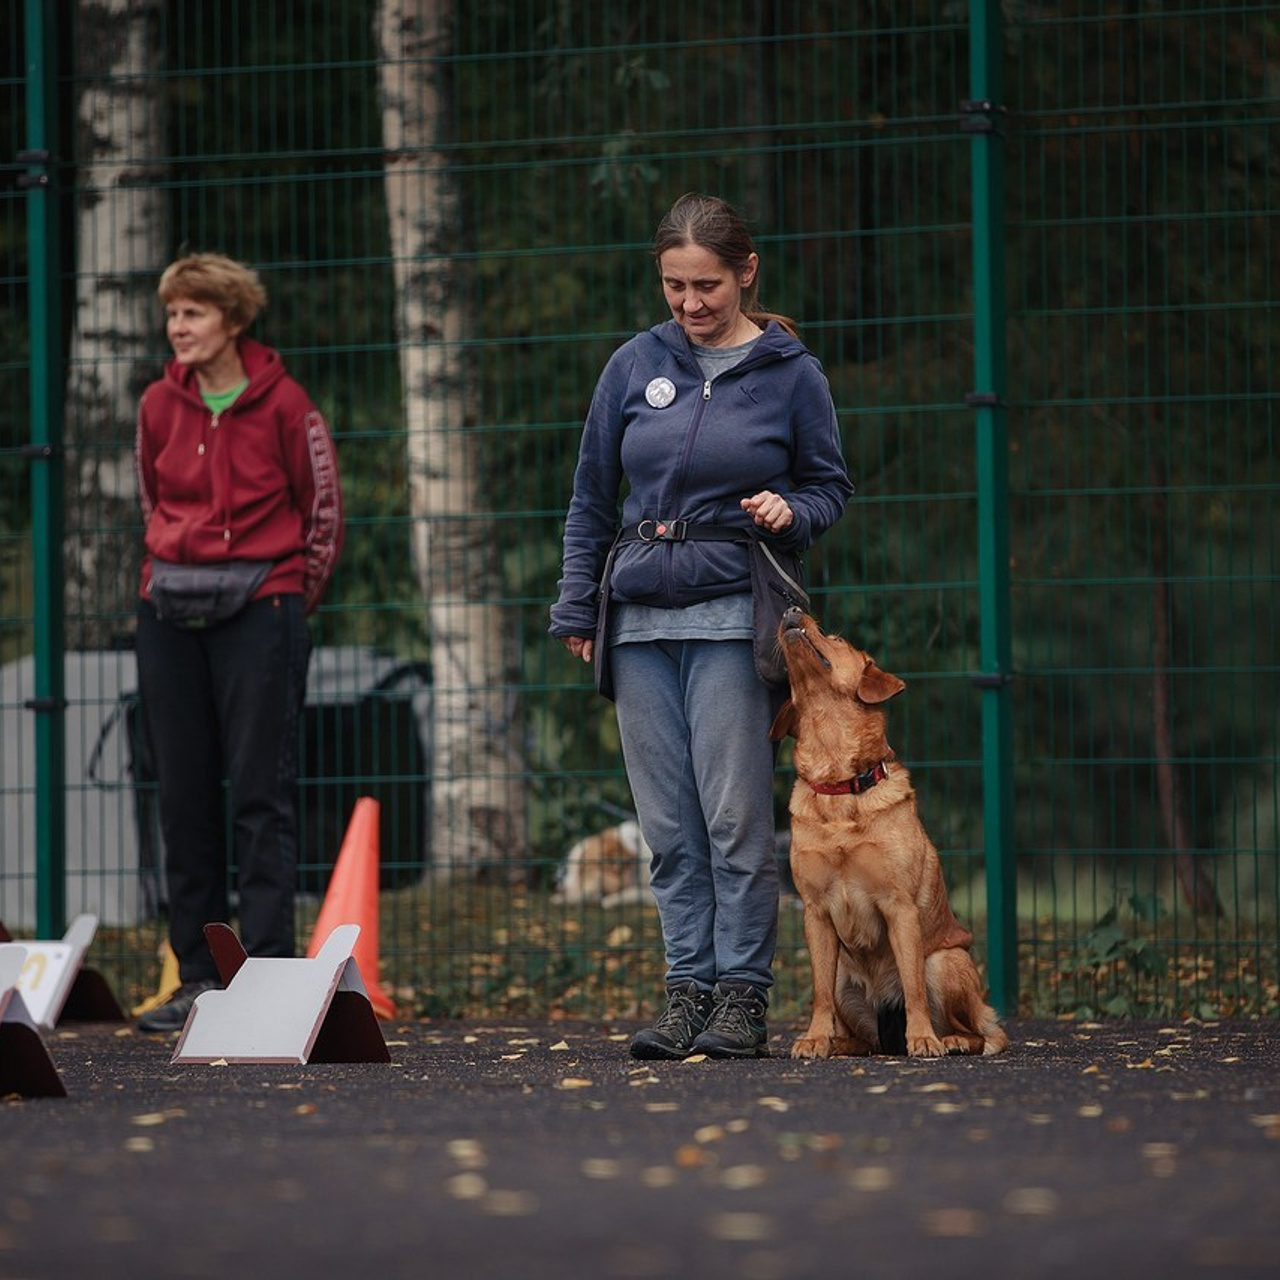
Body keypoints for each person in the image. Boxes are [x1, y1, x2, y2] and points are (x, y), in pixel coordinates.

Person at [549, 194, 854, 1059]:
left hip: (733, 611)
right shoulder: (632, 365)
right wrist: (578, 605)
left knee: (733, 822)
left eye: (707, 285)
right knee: (668, 829)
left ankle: (742, 998)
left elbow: (831, 486)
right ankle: (685, 992)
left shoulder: (793, 372)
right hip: (637, 616)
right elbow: (589, 498)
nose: (689, 304)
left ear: (746, 272)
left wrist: (789, 509)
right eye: (675, 286)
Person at [133, 253, 343, 1033]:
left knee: (261, 793)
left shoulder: (287, 404)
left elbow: (320, 513)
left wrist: (285, 596)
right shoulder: (157, 403)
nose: (177, 328)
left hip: (263, 605)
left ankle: (269, 978)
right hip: (169, 612)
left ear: (233, 318)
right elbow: (150, 497)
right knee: (182, 798)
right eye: (172, 314)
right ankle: (194, 977)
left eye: (192, 313)